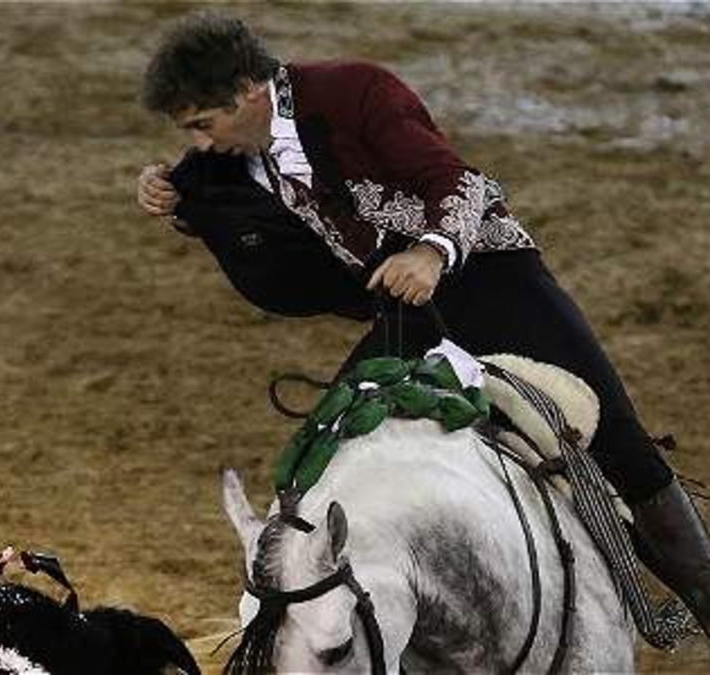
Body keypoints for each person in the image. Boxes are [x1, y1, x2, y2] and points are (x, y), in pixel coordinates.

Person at [135, 11, 710, 635]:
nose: (200, 144)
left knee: (617, 444)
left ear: (248, 90)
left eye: (203, 124)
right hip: (406, 312)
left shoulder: (354, 91)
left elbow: (461, 182)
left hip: (492, 281)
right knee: (327, 444)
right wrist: (163, 191)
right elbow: (199, 188)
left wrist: (432, 252)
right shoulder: (231, 152)